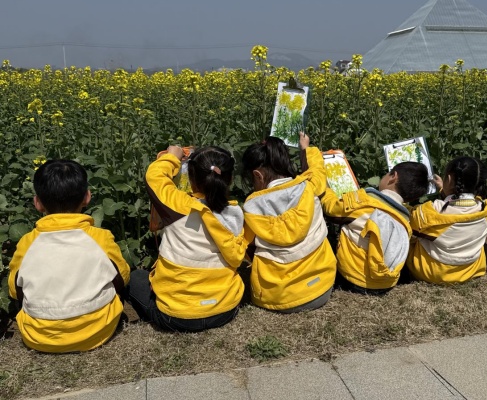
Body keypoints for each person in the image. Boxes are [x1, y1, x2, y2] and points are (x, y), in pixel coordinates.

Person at [8, 160, 130, 352]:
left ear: (37, 203)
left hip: (39, 338)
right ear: (87, 197)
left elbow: (15, 290)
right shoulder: (100, 237)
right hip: (98, 331)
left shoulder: (27, 243)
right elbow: (122, 278)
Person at [128, 146, 246, 331]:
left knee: (136, 277)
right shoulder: (235, 213)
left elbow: (154, 177)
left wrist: (171, 157)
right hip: (224, 310)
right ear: (230, 179)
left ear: (191, 179)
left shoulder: (178, 205)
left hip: (176, 317)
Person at [241, 132, 336, 312]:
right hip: (321, 286)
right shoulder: (309, 186)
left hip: (276, 298)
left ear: (258, 175)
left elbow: (243, 246)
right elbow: (317, 169)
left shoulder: (252, 207)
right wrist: (306, 149)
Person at [321, 162, 429, 294]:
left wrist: (324, 186)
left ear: (393, 177)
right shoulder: (407, 219)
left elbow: (331, 209)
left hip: (354, 279)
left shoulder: (362, 202)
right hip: (385, 284)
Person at [407, 156, 487, 284]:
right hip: (471, 270)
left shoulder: (430, 212)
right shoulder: (485, 210)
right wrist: (444, 189)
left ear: (448, 179)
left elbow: (410, 220)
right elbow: (460, 206)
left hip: (434, 273)